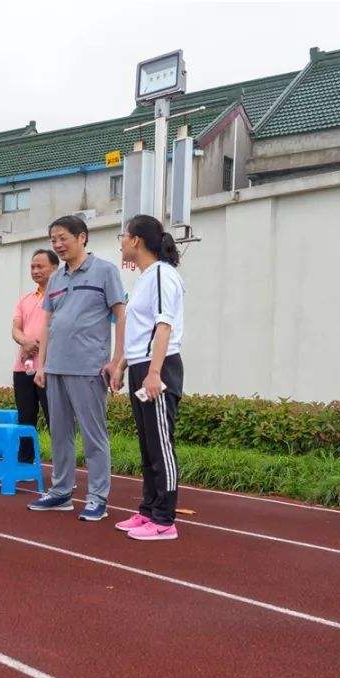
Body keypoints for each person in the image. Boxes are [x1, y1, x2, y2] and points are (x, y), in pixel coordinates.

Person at [28, 215, 126, 522]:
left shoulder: (105, 272)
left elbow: (121, 316)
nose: (57, 245)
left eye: (62, 238)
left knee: (93, 435)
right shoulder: (56, 279)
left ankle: (98, 497)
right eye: (53, 240)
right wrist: (42, 364)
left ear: (82, 237)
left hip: (88, 367)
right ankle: (61, 492)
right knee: (59, 434)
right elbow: (47, 324)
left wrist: (117, 360)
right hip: (55, 366)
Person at [113, 214, 185, 541]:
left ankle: (165, 519)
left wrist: (154, 373)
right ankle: (148, 510)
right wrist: (123, 366)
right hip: (142, 364)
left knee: (161, 444)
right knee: (147, 444)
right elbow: (140, 331)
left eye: (123, 236)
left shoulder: (161, 275)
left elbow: (163, 325)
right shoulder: (143, 278)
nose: (121, 242)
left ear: (137, 241)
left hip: (159, 366)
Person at [12, 249, 59, 462]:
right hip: (23, 367)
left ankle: (63, 471)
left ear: (55, 268)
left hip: (50, 368)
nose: (35, 270)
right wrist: (25, 342)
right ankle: (25, 463)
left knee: (56, 420)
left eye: (41, 266)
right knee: (25, 419)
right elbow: (15, 329)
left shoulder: (61, 296)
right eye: (32, 267)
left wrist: (42, 346)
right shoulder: (25, 299)